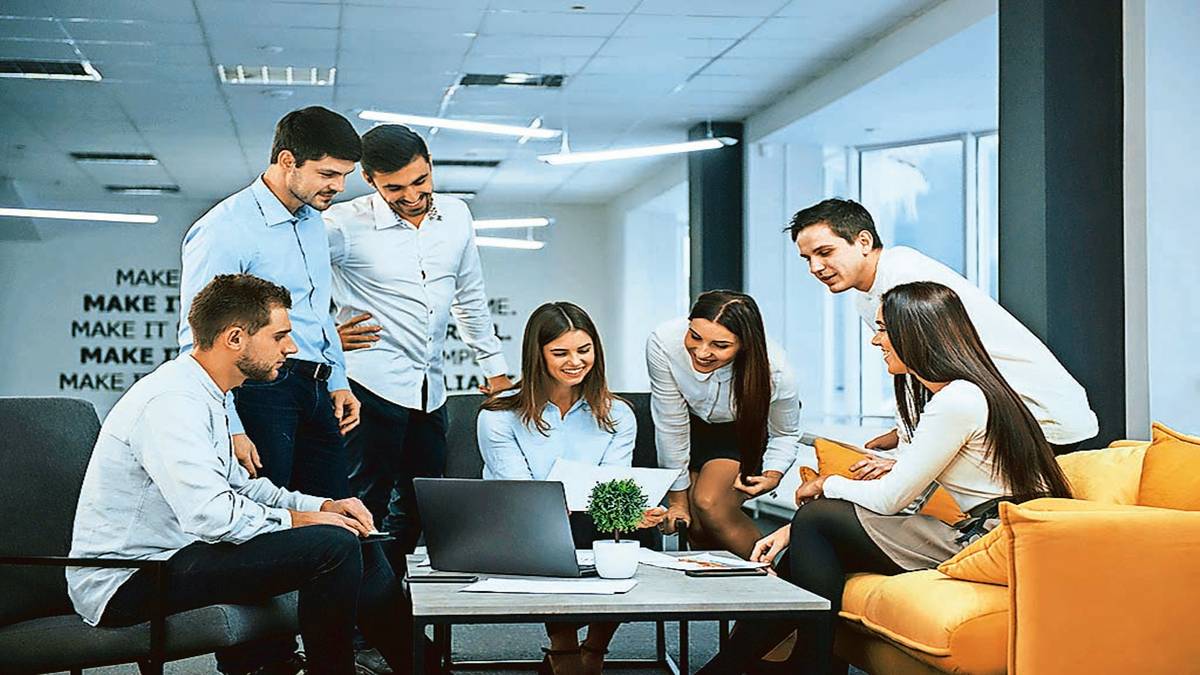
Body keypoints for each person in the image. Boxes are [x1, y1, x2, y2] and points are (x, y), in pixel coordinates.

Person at [694, 282, 1074, 675]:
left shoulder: (957, 401)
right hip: (985, 531)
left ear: (914, 333)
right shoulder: (954, 395)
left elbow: (892, 499)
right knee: (812, 534)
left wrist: (825, 485)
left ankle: (804, 665)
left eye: (882, 329)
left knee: (818, 519)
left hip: (996, 540)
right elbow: (908, 496)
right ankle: (756, 666)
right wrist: (793, 530)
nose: (876, 341)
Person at [67, 274, 428, 675]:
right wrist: (303, 520)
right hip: (129, 582)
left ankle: (425, 668)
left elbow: (242, 488)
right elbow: (209, 515)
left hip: (178, 557)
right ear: (235, 338)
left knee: (353, 537)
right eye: (279, 337)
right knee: (332, 546)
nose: (291, 348)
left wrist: (323, 505)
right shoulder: (171, 402)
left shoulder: (210, 394)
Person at [177, 106, 364, 673]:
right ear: (288, 162)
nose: (338, 188)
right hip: (256, 391)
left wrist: (338, 378)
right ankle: (258, 663)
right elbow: (200, 335)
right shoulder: (225, 227)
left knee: (334, 523)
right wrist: (228, 423)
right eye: (329, 175)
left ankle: (326, 656)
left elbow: (316, 312)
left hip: (311, 388)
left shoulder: (311, 218)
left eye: (344, 177)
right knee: (258, 535)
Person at [324, 123, 513, 567]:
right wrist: (324, 338)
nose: (411, 196)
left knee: (419, 505)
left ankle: (389, 610)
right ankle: (355, 626)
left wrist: (494, 367)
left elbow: (469, 294)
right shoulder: (341, 225)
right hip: (367, 386)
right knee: (361, 505)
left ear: (430, 167)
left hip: (429, 390)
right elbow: (287, 285)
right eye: (394, 188)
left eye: (420, 181)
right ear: (369, 180)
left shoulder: (457, 215)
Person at [789, 197, 1097, 455]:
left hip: (1040, 418)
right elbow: (911, 370)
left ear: (864, 241)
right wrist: (903, 433)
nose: (815, 267)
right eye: (807, 258)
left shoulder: (904, 279)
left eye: (825, 252)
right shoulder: (869, 295)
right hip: (1005, 415)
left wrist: (906, 451)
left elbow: (927, 370)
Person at [477, 302, 667, 675]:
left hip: (588, 515)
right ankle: (563, 648)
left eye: (584, 350)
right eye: (560, 352)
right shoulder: (498, 416)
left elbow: (614, 482)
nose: (575, 362)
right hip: (524, 520)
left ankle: (595, 648)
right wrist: (558, 505)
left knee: (624, 526)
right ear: (538, 355)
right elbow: (518, 489)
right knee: (550, 523)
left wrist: (633, 509)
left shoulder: (617, 414)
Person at [647, 290, 802, 559]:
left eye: (720, 345)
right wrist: (676, 503)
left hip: (741, 433)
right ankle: (718, 596)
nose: (702, 352)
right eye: (695, 336)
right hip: (687, 427)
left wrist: (773, 475)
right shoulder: (663, 342)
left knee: (709, 503)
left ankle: (775, 583)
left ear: (744, 344)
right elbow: (670, 423)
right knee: (693, 522)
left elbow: (786, 432)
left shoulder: (775, 369)